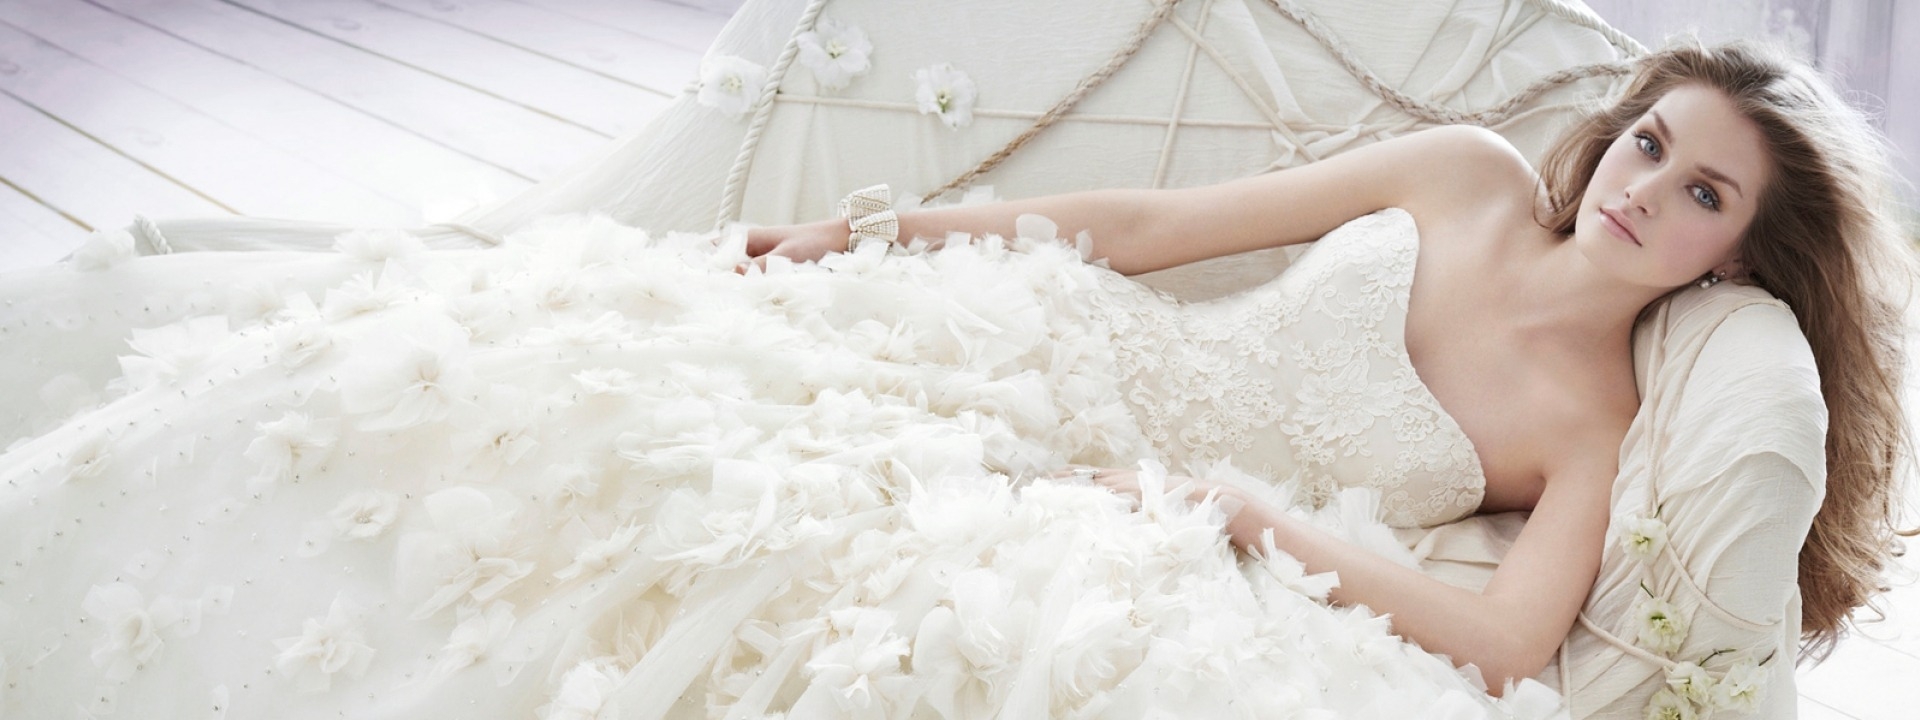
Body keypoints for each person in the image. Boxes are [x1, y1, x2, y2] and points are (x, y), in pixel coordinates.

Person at [0, 41, 1905, 719]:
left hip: (1164, 513)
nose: (1650, 190)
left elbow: (1504, 651)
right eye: (1654, 143)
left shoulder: (1607, 423)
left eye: (1704, 191)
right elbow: (1154, 226)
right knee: (585, 389)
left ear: (1743, 251)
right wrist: (872, 237)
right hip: (1070, 355)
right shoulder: (1471, 178)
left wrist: (1247, 518)